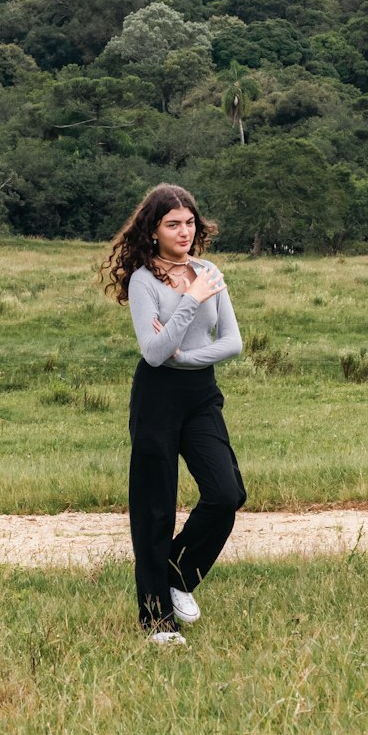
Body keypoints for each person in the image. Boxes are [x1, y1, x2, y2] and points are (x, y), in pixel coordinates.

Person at [101, 184, 246, 645]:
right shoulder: (144, 280)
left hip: (201, 395)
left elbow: (233, 344)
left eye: (189, 222)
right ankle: (156, 621)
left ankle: (177, 576)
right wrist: (191, 302)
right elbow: (153, 351)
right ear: (154, 229)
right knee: (155, 509)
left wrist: (183, 355)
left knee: (226, 494)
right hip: (157, 399)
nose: (184, 231)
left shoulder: (209, 272)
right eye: (173, 224)